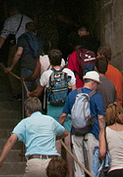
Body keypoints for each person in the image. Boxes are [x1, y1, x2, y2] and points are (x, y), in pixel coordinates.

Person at [0, 96, 68, 176]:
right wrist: (53, 137)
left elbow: (11, 140)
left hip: (35, 163)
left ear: (27, 111)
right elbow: (65, 133)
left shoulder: (25, 122)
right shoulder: (50, 120)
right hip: (53, 164)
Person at [37, 49, 76, 177]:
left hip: (52, 110)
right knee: (68, 145)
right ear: (62, 60)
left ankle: (58, 173)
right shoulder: (69, 73)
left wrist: (30, 94)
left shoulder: (46, 75)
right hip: (67, 109)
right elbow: (74, 94)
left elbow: (38, 92)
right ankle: (70, 174)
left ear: (50, 61)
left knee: (56, 143)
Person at [58, 70, 105, 177]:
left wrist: (57, 130)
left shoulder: (72, 95)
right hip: (92, 134)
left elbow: (63, 116)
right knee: (93, 166)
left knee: (79, 166)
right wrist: (103, 136)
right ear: (93, 82)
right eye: (96, 84)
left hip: (76, 134)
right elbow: (101, 118)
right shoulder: (96, 96)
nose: (97, 87)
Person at [98, 102, 123, 176]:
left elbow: (102, 153)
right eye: (122, 114)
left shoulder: (104, 132)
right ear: (117, 115)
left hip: (114, 170)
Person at [7, 21, 43, 96]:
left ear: (26, 30)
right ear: (36, 31)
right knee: (36, 93)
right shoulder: (39, 40)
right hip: (37, 67)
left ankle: (26, 107)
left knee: (27, 93)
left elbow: (19, 53)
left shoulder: (23, 38)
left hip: (26, 67)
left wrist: (11, 67)